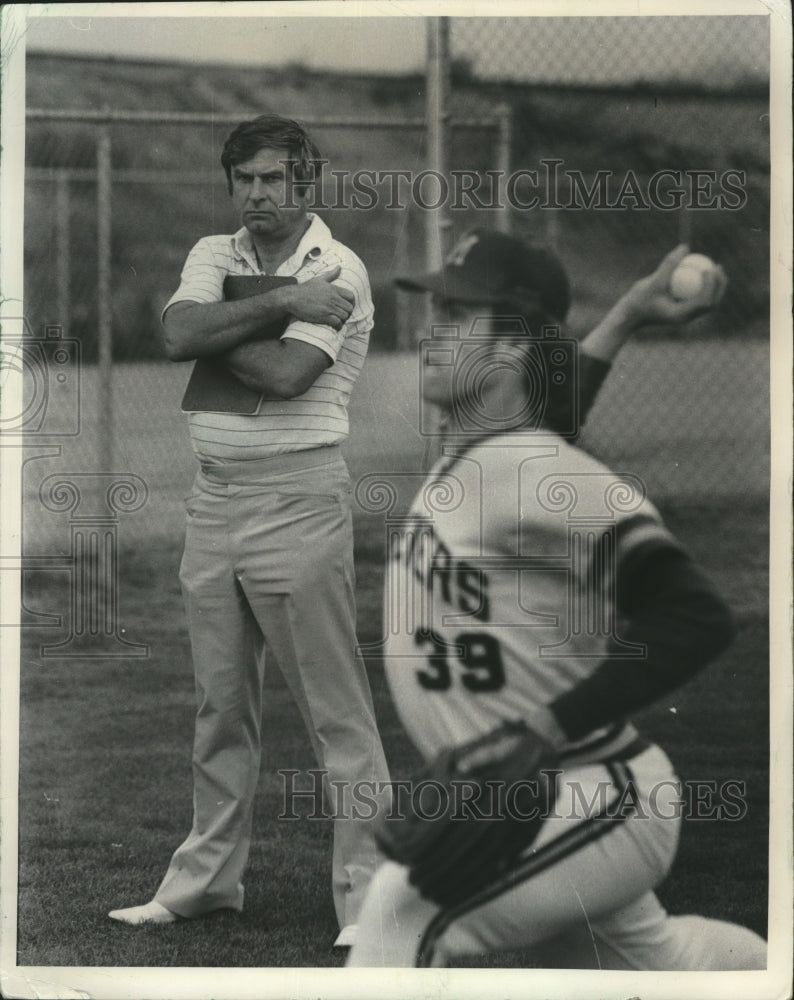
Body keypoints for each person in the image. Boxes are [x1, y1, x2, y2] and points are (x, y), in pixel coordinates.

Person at [347, 228, 767, 969]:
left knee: (406, 908)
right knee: (663, 967)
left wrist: (546, 723)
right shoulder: (487, 455)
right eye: (435, 311)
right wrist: (628, 315)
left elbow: (694, 615)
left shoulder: (529, 467)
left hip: (589, 789)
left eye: (456, 316)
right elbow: (551, 424)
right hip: (542, 796)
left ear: (511, 350)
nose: (429, 332)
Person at [108, 114, 390, 949]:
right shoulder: (214, 250)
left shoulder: (338, 267)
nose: (259, 194)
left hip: (298, 500)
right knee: (219, 708)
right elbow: (171, 333)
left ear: (308, 183)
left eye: (275, 179)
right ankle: (202, 888)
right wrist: (277, 304)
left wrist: (221, 323)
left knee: (336, 714)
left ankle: (372, 901)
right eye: (245, 180)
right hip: (213, 502)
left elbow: (286, 372)